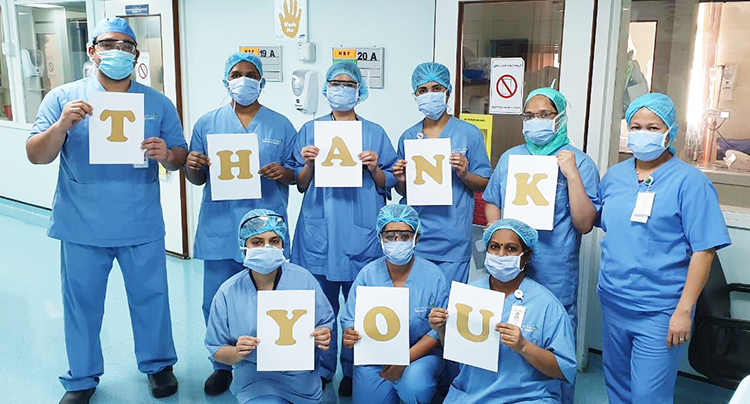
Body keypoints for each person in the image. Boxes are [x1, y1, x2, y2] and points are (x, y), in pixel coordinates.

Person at [25, 17, 187, 404]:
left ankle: (159, 365)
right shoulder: (63, 98)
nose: (116, 51)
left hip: (139, 220)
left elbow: (180, 155)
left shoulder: (157, 103)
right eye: (108, 44)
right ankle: (81, 378)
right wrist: (62, 126)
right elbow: (36, 154)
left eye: (125, 46)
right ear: (92, 51)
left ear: (135, 55)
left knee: (151, 297)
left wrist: (167, 155)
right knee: (81, 305)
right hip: (82, 224)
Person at [596, 93, 731, 404]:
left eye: (653, 127)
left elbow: (704, 250)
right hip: (614, 300)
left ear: (670, 131)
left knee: (647, 395)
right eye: (636, 126)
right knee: (617, 384)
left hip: (660, 308)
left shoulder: (690, 182)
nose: (643, 133)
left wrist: (684, 311)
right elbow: (612, 228)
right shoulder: (615, 177)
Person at [184, 52, 297, 396]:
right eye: (237, 73)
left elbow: (297, 175)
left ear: (261, 82)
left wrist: (285, 172)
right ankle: (223, 364)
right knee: (217, 300)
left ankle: (271, 357)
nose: (244, 80)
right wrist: (192, 164)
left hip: (265, 229)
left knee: (269, 299)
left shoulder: (281, 125)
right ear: (226, 80)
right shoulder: (207, 123)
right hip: (221, 226)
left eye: (251, 74)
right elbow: (196, 178)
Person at [482, 87, 598, 403]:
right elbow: (492, 200)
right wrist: (497, 234)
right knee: (507, 343)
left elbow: (585, 223)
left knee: (553, 350)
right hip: (511, 269)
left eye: (545, 115)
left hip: (554, 270)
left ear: (559, 118)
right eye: (530, 115)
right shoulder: (511, 158)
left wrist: (571, 176)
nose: (536, 121)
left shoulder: (579, 163)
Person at [290, 61, 398, 396]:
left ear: (359, 91)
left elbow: (389, 181)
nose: (341, 88)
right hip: (319, 231)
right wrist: (307, 163)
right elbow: (300, 184)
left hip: (361, 230)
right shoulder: (310, 129)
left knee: (360, 307)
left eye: (348, 83)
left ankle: (353, 369)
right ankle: (323, 368)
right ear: (325, 89)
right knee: (320, 308)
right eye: (335, 82)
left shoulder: (375, 132)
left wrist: (373, 167)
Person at [429, 219, 576, 403]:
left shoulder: (546, 305)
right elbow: (457, 353)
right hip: (472, 394)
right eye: (494, 247)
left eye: (511, 249)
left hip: (527, 397)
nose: (501, 254)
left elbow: (563, 370)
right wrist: (442, 329)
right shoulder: (469, 294)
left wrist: (524, 346)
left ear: (527, 256)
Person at [205, 209, 334, 404]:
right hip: (255, 380)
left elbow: (325, 322)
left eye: (274, 241)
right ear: (243, 246)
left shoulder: (304, 279)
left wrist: (323, 333)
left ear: (283, 244)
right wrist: (237, 352)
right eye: (257, 242)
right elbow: (217, 349)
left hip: (301, 380)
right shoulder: (228, 292)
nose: (267, 248)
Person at [393, 62, 491, 285]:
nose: (430, 95)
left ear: (447, 92)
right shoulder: (408, 136)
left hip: (452, 237)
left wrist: (465, 174)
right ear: (415, 95)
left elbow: (484, 182)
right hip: (417, 235)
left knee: (446, 310)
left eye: (436, 89)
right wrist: (401, 179)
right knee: (417, 306)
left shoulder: (468, 133)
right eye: (423, 90)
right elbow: (403, 189)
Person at [340, 205, 448, 404]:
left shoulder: (434, 276)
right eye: (390, 236)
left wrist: (404, 359)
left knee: (415, 387)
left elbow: (437, 333)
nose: (397, 242)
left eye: (405, 236)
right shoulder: (367, 274)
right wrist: (350, 334)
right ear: (380, 238)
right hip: (375, 356)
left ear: (416, 237)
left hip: (419, 355)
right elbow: (350, 319)